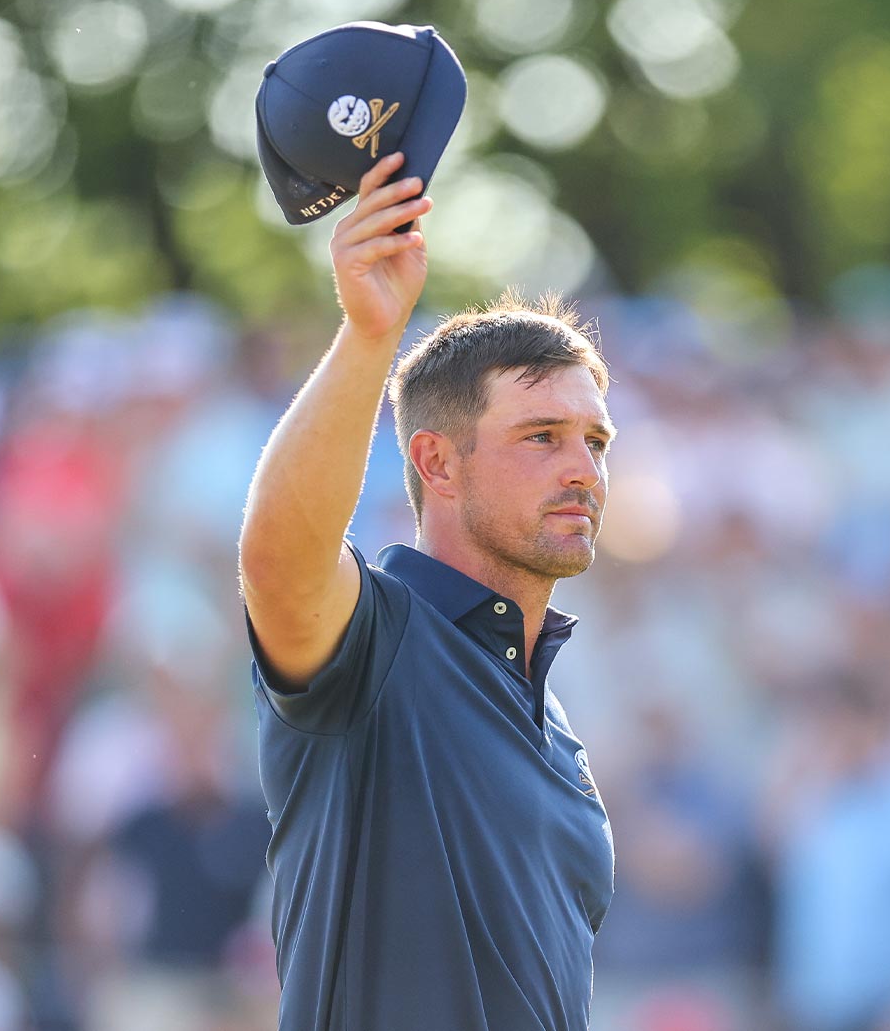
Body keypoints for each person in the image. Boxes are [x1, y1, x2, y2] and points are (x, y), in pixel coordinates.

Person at [238, 152, 617, 1030]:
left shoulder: (556, 726)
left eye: (595, 442)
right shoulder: (376, 644)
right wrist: (370, 336)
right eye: (542, 436)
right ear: (436, 461)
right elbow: (278, 560)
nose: (583, 471)